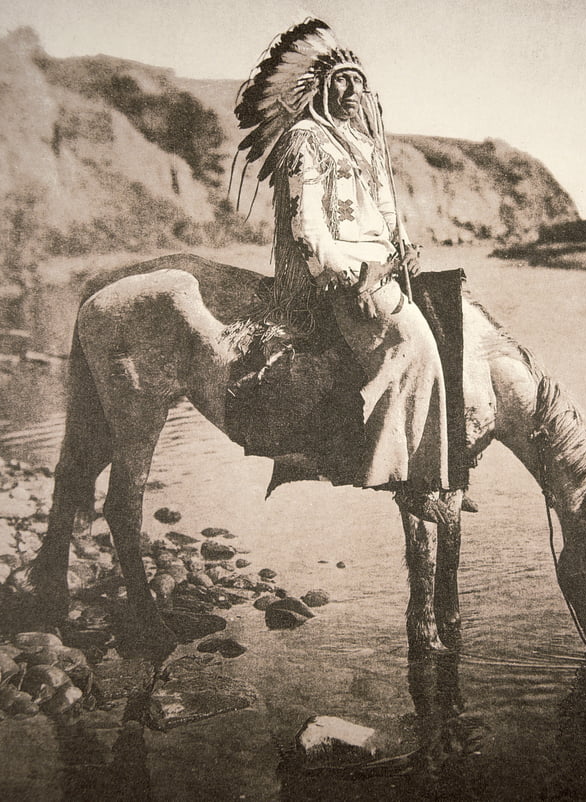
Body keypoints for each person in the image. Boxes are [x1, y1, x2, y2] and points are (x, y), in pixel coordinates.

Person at [233, 19, 450, 507]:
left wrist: (405, 246)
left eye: (358, 80)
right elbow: (306, 228)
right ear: (321, 88)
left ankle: (434, 468)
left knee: (447, 335)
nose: (352, 90)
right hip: (337, 277)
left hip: (383, 268)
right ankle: (398, 475)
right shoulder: (305, 139)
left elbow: (386, 212)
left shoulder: (364, 143)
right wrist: (351, 276)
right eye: (341, 80)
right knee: (410, 344)